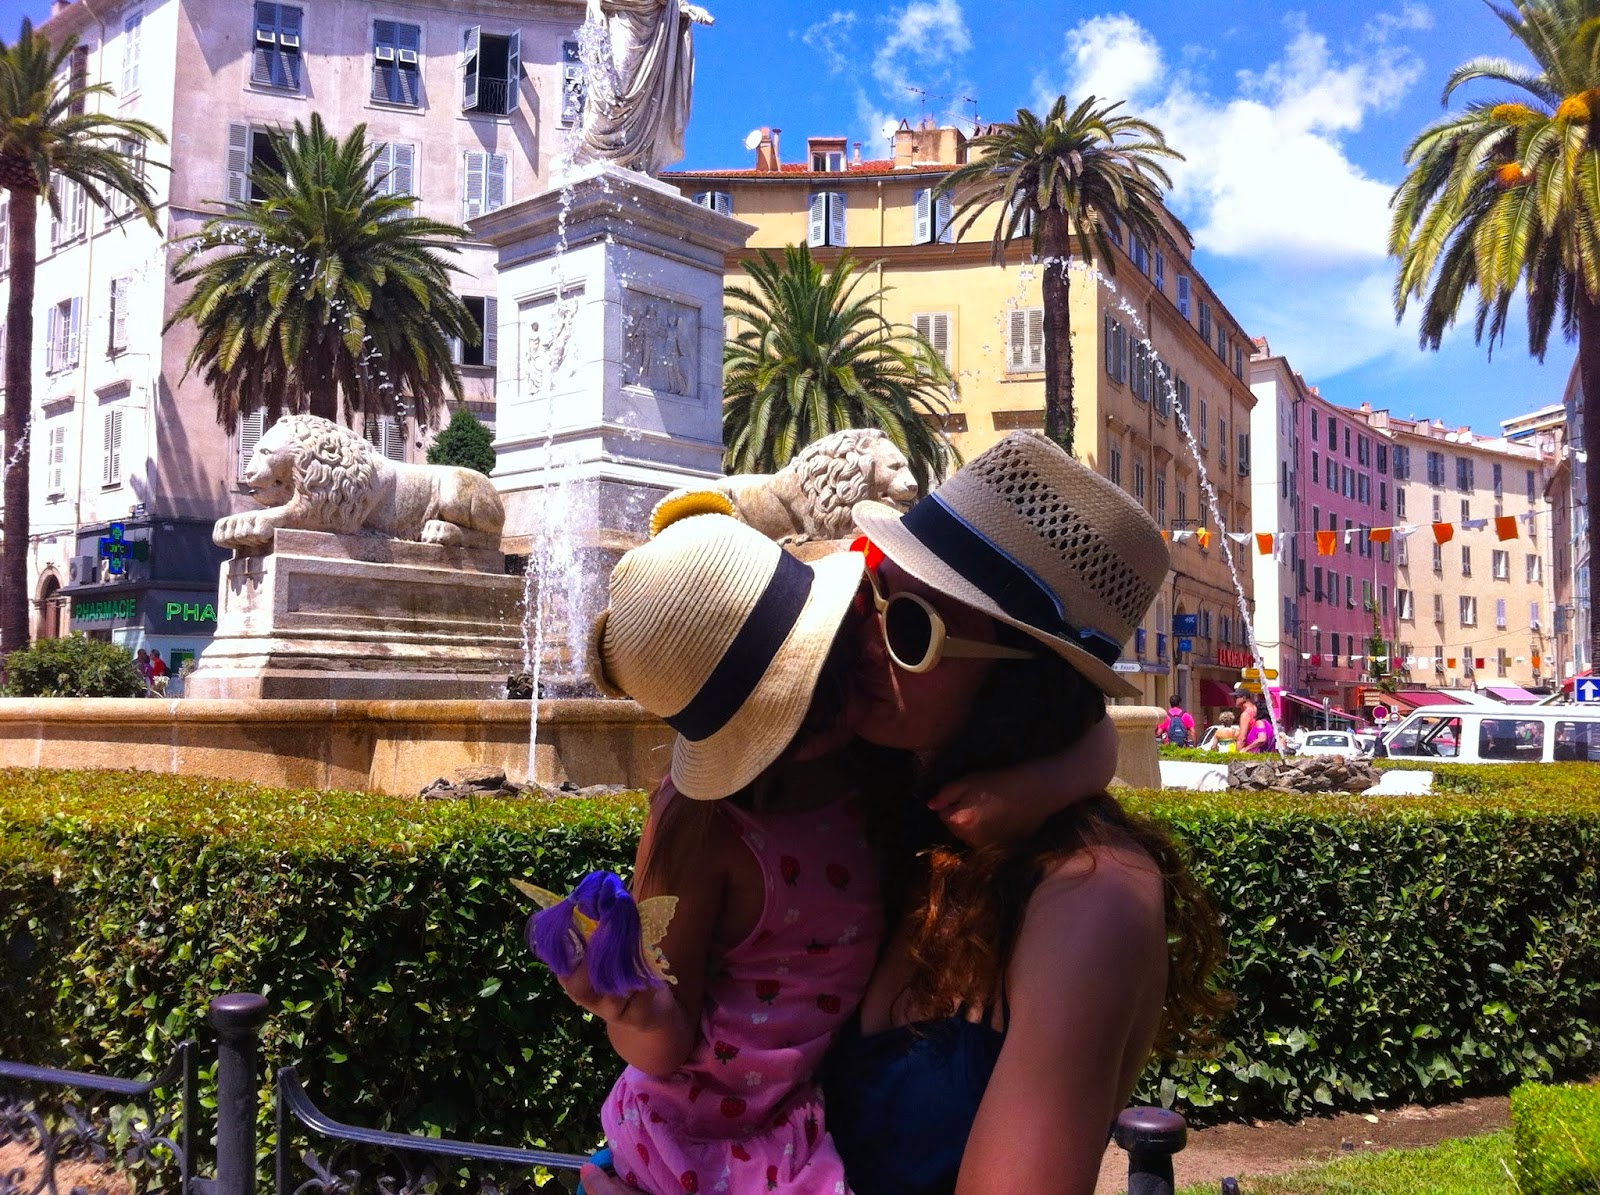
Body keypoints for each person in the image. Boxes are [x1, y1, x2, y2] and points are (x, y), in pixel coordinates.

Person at [578, 432, 1226, 1195]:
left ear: (1024, 684)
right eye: (871, 594)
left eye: (911, 627)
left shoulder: (1089, 898)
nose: (860, 637)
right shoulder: (877, 796)